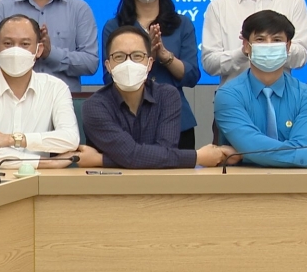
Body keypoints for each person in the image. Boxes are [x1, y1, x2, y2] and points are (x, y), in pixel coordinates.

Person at [76, 26, 228, 169]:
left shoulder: (167, 96)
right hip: (109, 184)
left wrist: (100, 160)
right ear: (108, 66)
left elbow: (165, 153)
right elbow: (132, 155)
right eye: (119, 57)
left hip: (160, 183)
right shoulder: (94, 106)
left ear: (149, 63)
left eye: (137, 56)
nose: (128, 63)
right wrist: (196, 157)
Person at [213, 10, 307, 168]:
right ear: (246, 46)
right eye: (260, 39)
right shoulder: (228, 95)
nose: (269, 46)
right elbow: (249, 143)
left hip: (297, 179)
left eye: (277, 40)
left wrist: (245, 154)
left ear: (288, 46)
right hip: (239, 179)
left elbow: (305, 145)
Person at [101, 0, 200, 149]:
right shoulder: (114, 27)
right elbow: (108, 78)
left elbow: (192, 76)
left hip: (176, 121)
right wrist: (143, 59)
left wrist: (164, 56)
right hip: (128, 121)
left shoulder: (182, 24)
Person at [0, 15, 80, 169]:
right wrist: (48, 163)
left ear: (39, 50)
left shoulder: (56, 88)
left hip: (40, 180)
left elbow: (70, 138)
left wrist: (11, 139)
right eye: (8, 43)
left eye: (25, 44)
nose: (16, 51)